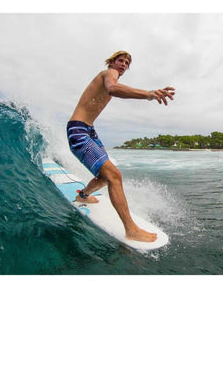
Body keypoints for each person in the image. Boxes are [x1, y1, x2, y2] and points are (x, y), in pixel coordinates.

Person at [67, 51, 176, 242]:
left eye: (127, 63)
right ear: (112, 62)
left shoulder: (111, 76)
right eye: (121, 60)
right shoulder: (109, 74)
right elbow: (113, 89)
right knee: (115, 176)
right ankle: (131, 229)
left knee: (105, 178)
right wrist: (149, 94)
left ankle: (83, 195)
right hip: (78, 130)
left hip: (89, 130)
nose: (124, 64)